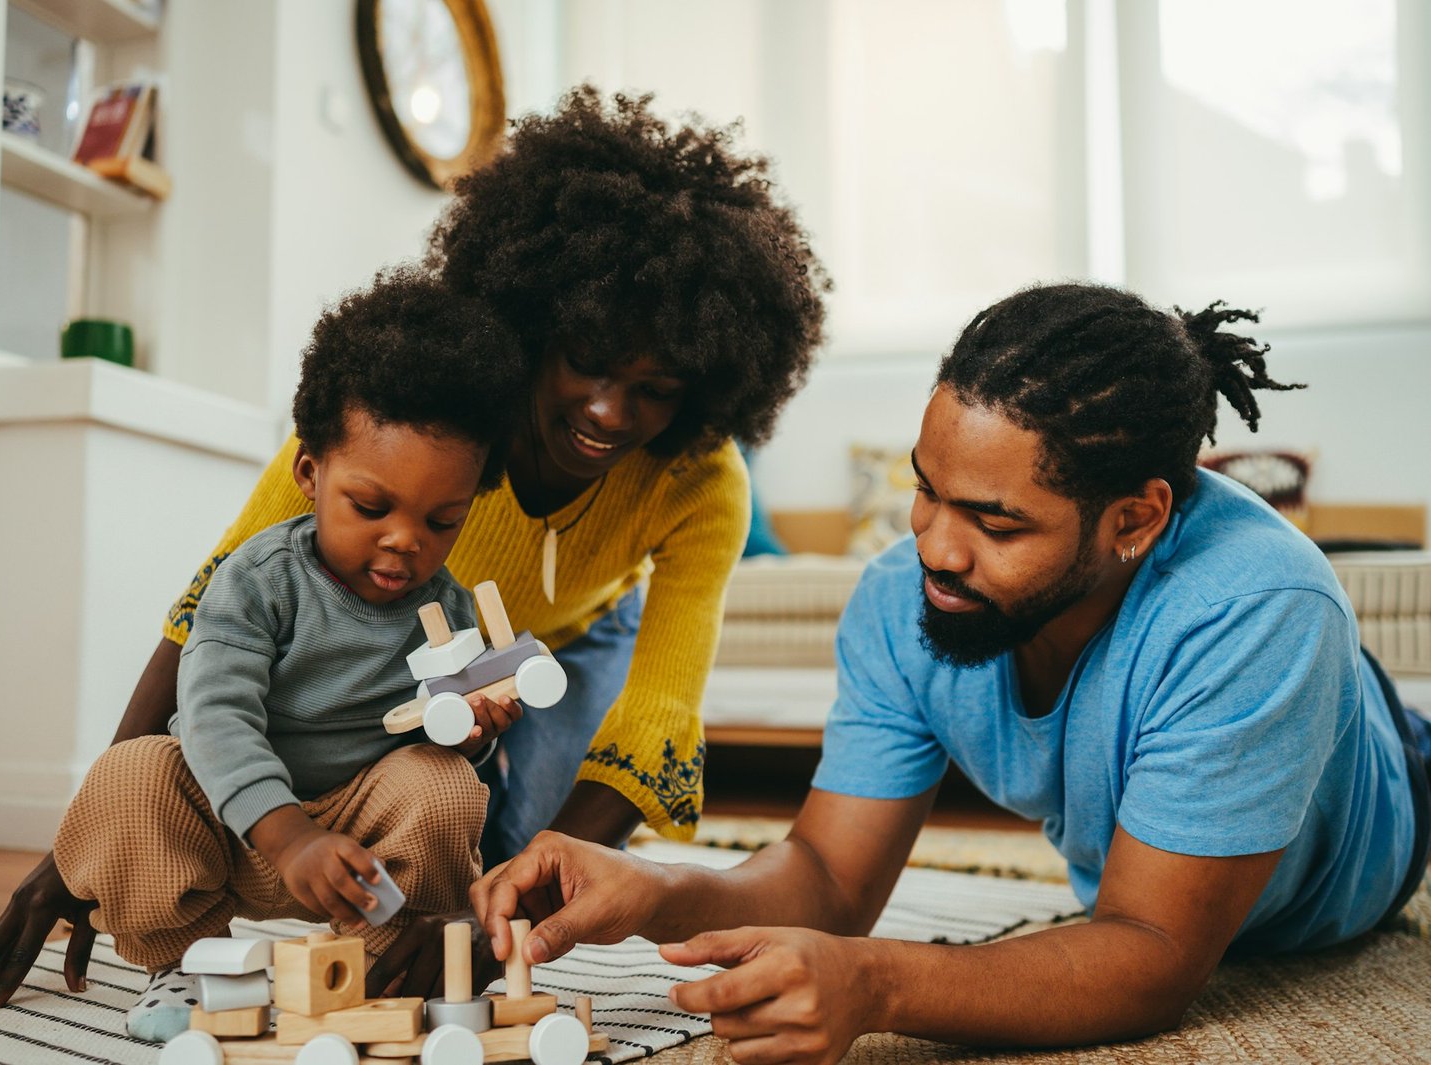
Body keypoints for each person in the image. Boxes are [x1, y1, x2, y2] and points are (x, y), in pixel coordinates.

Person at [0, 85, 830, 1012]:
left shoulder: (702, 480)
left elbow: (659, 715)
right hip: (421, 658)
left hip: (563, 649)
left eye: (655, 387)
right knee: (391, 818)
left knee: (488, 856)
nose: (610, 410)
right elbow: (206, 612)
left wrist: (509, 912)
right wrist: (74, 847)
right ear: (538, 321)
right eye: (589, 361)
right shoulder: (408, 421)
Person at [469, 283, 1431, 1059]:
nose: (936, 548)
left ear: (1135, 519)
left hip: (1380, 825)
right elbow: (827, 879)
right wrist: (656, 888)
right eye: (926, 492)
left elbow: (1153, 954)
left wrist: (878, 981)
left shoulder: (1256, 611)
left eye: (996, 521)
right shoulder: (902, 598)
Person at [0, 268, 531, 1040]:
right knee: (132, 772)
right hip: (225, 826)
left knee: (444, 784)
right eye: (371, 506)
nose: (404, 540)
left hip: (356, 841)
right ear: (310, 475)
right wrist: (288, 834)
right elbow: (216, 713)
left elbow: (437, 752)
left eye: (442, 519)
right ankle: (186, 962)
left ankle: (383, 960)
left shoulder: (444, 609)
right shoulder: (257, 580)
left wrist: (471, 733)